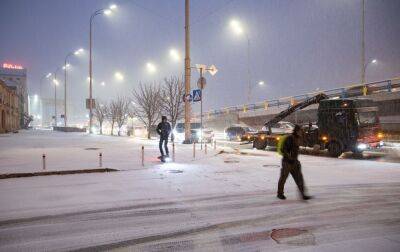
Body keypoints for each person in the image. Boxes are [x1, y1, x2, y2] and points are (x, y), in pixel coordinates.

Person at [277, 124, 311, 200]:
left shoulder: (298, 138)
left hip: (295, 162)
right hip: (287, 162)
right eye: (300, 131)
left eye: (302, 131)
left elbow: (304, 144)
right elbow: (284, 149)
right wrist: (289, 158)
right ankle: (280, 194)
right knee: (283, 178)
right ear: (296, 131)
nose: (301, 132)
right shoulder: (290, 138)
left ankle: (303, 194)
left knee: (299, 178)